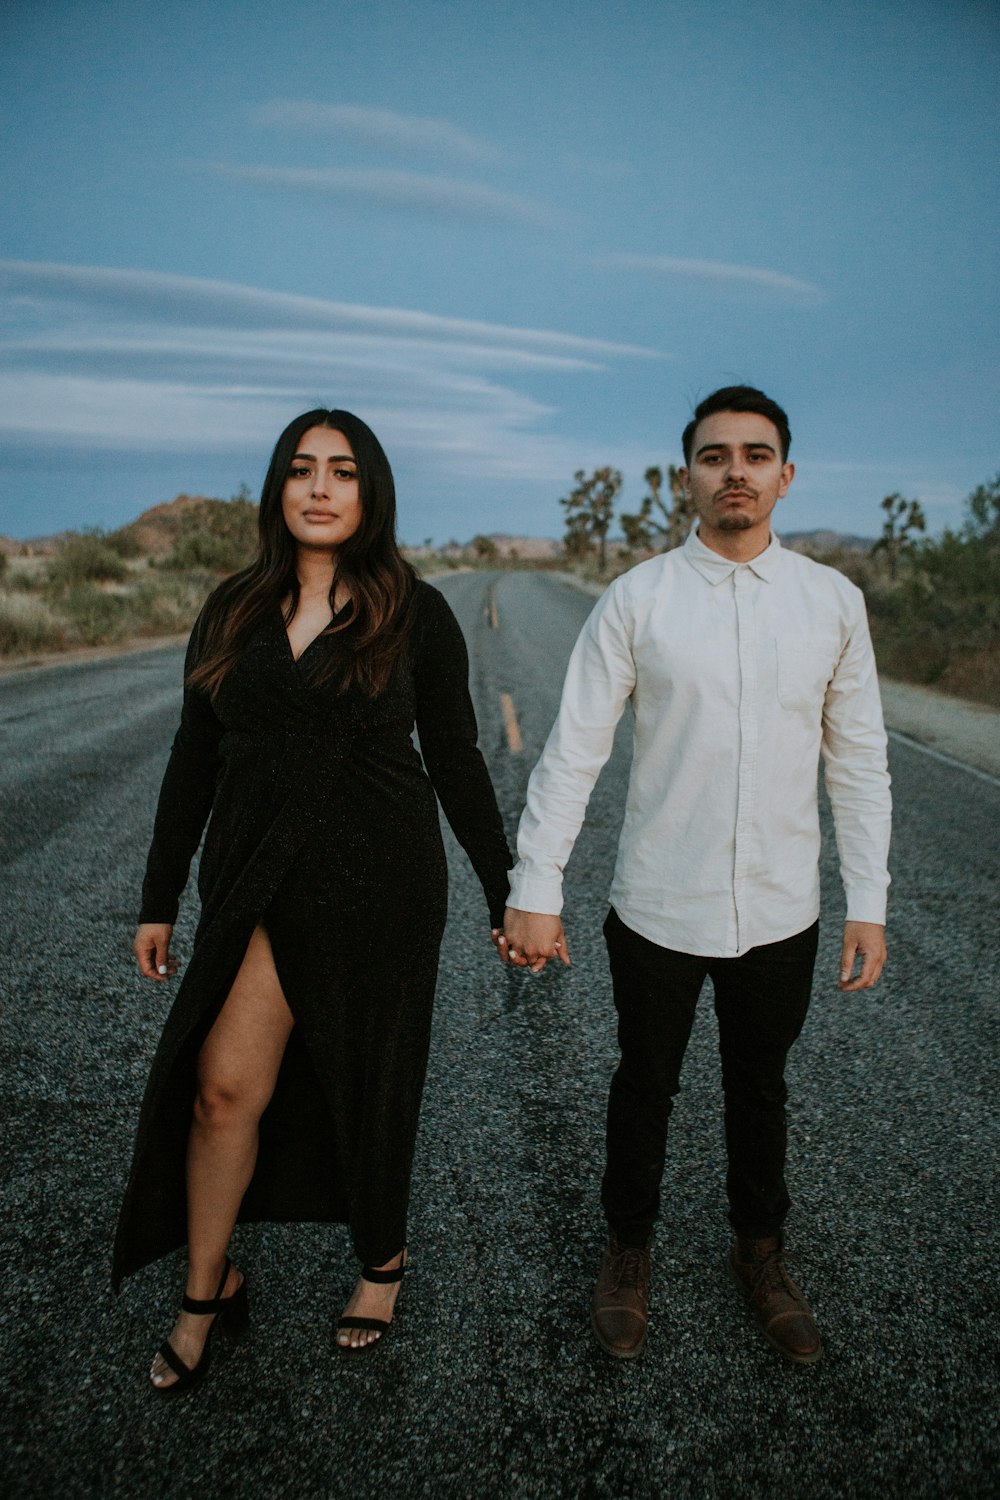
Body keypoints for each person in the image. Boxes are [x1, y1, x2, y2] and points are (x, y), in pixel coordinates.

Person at [115, 408, 512, 1392]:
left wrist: (510, 891)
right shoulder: (231, 609)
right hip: (253, 880)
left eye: (342, 471)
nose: (320, 487)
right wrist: (158, 895)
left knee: (370, 1085)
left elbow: (456, 759)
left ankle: (382, 1261)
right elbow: (191, 756)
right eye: (301, 470)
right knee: (219, 1087)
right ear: (277, 489)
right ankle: (208, 1288)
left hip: (381, 883)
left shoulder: (414, 611)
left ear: (370, 493)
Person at [497, 386, 891, 1365]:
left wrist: (868, 901)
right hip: (657, 906)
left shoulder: (829, 603)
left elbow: (859, 759)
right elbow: (574, 748)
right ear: (687, 477)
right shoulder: (639, 600)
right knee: (645, 1084)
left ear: (785, 476)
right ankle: (626, 1249)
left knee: (759, 1089)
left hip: (780, 905)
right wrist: (534, 887)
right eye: (715, 456)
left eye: (756, 455)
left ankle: (760, 1256)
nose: (736, 472)